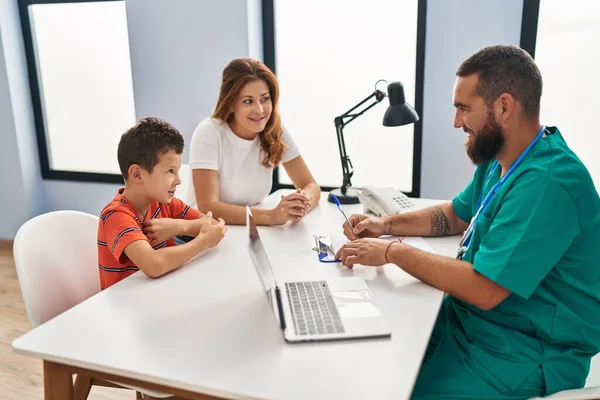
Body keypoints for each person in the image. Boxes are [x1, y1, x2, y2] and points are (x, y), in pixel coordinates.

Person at [335, 45, 600, 399]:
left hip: (520, 353)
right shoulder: (503, 158)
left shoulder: (549, 181)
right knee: (369, 369)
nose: (456, 122)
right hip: (467, 324)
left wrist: (391, 253)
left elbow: (484, 289)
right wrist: (387, 224)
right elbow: (457, 214)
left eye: (464, 109)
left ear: (504, 106)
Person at [186, 58, 321, 225]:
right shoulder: (209, 132)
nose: (259, 110)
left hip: (249, 231)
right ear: (231, 104)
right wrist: (271, 216)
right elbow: (208, 208)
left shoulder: (274, 129)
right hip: (205, 234)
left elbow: (310, 185)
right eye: (248, 101)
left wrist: (300, 203)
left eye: (264, 99)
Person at [97, 117, 227, 290]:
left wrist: (180, 227)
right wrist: (202, 242)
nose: (179, 180)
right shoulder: (116, 215)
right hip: (128, 305)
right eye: (170, 171)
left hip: (162, 291)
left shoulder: (164, 204)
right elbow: (154, 265)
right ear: (137, 174)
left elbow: (214, 225)